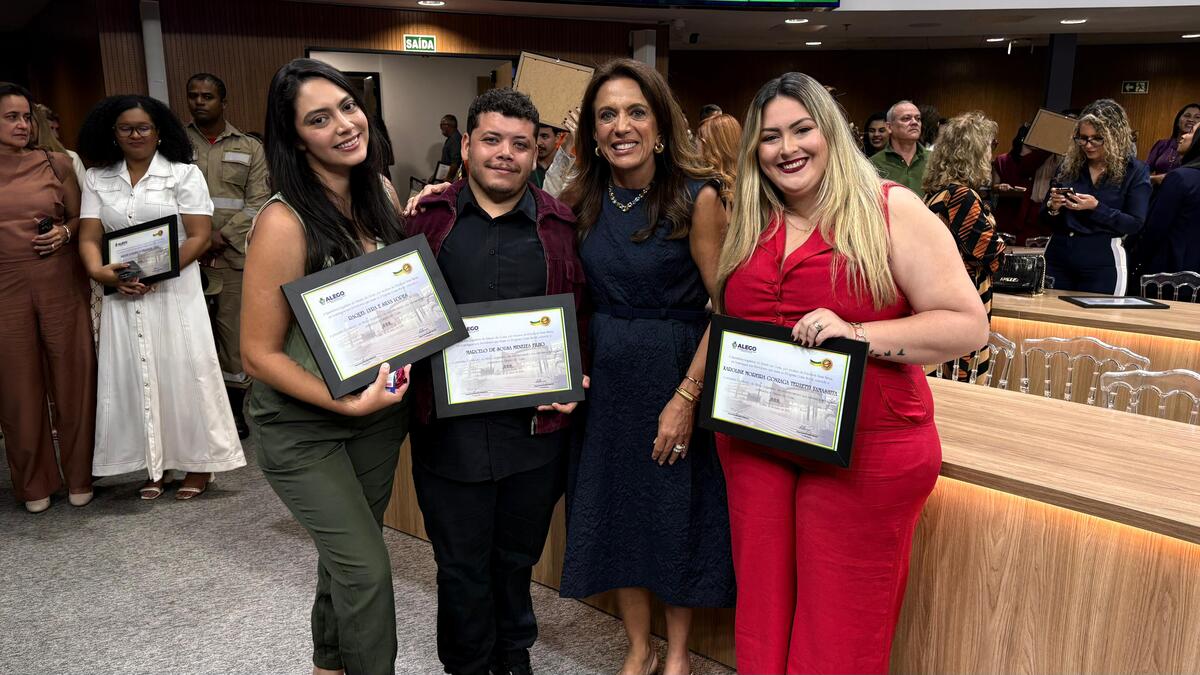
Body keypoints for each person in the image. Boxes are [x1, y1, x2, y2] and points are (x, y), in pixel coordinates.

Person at [715, 71, 987, 674]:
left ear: (831, 133)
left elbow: (968, 326)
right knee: (760, 619)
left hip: (869, 447)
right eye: (770, 137)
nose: (787, 148)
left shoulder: (890, 209)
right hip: (758, 439)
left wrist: (859, 334)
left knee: (839, 631)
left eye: (802, 129)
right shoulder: (750, 219)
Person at [559, 58, 735, 675]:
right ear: (591, 130)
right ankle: (639, 646)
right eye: (607, 114)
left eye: (636, 111)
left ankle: (680, 653)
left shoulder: (698, 195)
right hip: (608, 379)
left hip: (676, 369)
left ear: (660, 123)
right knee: (618, 512)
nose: (621, 125)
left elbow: (724, 309)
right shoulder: (579, 198)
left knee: (674, 513)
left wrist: (686, 398)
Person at [404, 88, 588, 675]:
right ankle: (467, 664)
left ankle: (514, 655)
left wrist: (577, 372)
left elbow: (582, 315)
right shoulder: (424, 220)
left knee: (515, 558)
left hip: (533, 432)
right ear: (466, 145)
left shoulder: (562, 226)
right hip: (448, 431)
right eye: (491, 140)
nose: (505, 153)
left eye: (520, 143)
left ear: (539, 152)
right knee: (459, 564)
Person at [241, 58, 410, 675]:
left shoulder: (383, 195)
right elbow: (256, 355)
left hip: (377, 418)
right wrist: (347, 402)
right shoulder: (284, 222)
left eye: (347, 106)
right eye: (319, 119)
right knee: (367, 571)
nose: (344, 124)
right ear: (294, 139)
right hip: (305, 428)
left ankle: (329, 664)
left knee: (343, 558)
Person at [77, 94, 245, 500]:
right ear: (113, 134)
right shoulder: (97, 179)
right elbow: (88, 236)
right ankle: (154, 465)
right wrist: (99, 272)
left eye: (144, 128)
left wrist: (156, 273)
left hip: (173, 290)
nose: (135, 135)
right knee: (135, 376)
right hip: (123, 293)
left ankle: (199, 465)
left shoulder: (183, 175)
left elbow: (200, 236)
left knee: (184, 372)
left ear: (159, 133)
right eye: (126, 128)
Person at [0, 82, 97, 513]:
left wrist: (64, 232)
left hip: (59, 279)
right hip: (5, 286)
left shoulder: (56, 163)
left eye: (25, 116)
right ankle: (35, 482)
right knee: (17, 389)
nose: (22, 124)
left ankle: (80, 475)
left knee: (74, 378)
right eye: (11, 117)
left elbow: (81, 219)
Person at [184, 72, 271, 438]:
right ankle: (196, 413)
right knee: (190, 337)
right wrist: (195, 239)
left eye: (208, 96)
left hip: (232, 256)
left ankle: (235, 413)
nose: (199, 102)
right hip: (186, 257)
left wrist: (220, 235)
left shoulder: (250, 147)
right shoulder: (173, 144)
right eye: (193, 96)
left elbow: (258, 201)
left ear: (224, 102)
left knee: (232, 338)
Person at [923, 112, 1007, 381]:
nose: (992, 153)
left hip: (941, 295)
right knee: (961, 376)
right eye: (989, 145)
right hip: (964, 294)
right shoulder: (961, 195)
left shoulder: (939, 192)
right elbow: (991, 253)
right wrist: (1001, 242)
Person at [1041, 99, 1151, 295]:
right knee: (1049, 320)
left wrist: (1096, 207)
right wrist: (1053, 208)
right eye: (1082, 138)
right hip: (1058, 254)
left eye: (1097, 138)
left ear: (1115, 137)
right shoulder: (1068, 167)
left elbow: (1134, 223)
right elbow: (1043, 217)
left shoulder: (1135, 171)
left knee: (1098, 321)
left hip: (1103, 260)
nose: (1088, 145)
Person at [1135, 124, 1200, 289]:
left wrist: (1136, 256)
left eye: (1192, 132)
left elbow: (1155, 227)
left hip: (1169, 273)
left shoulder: (1180, 177)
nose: (1183, 136)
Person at [991, 123, 1052, 244]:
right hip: (1007, 211)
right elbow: (993, 187)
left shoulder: (1042, 161)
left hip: (1030, 214)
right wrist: (1001, 187)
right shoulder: (1003, 160)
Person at [870, 100, 928, 194]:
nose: (914, 122)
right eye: (906, 118)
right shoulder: (874, 164)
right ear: (889, 127)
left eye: (918, 118)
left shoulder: (935, 160)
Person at [1146, 103, 1200, 187]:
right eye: (1187, 115)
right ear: (1178, 121)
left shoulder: (1197, 150)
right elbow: (1143, 174)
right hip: (1156, 194)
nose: (1191, 120)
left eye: (1197, 117)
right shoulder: (1162, 144)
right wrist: (1155, 179)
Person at [697, 112, 741, 209]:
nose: (696, 145)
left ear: (706, 144)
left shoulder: (708, 189)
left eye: (698, 140)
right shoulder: (749, 181)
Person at [431, 113, 462, 183]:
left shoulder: (455, 140)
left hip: (449, 182)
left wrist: (448, 179)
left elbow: (455, 162)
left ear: (448, 125)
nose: (440, 127)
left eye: (441, 125)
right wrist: (435, 175)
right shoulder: (451, 139)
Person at [530, 122, 558, 188]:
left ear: (557, 137)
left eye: (544, 136)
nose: (538, 142)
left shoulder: (568, 168)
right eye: (535, 136)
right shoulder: (526, 166)